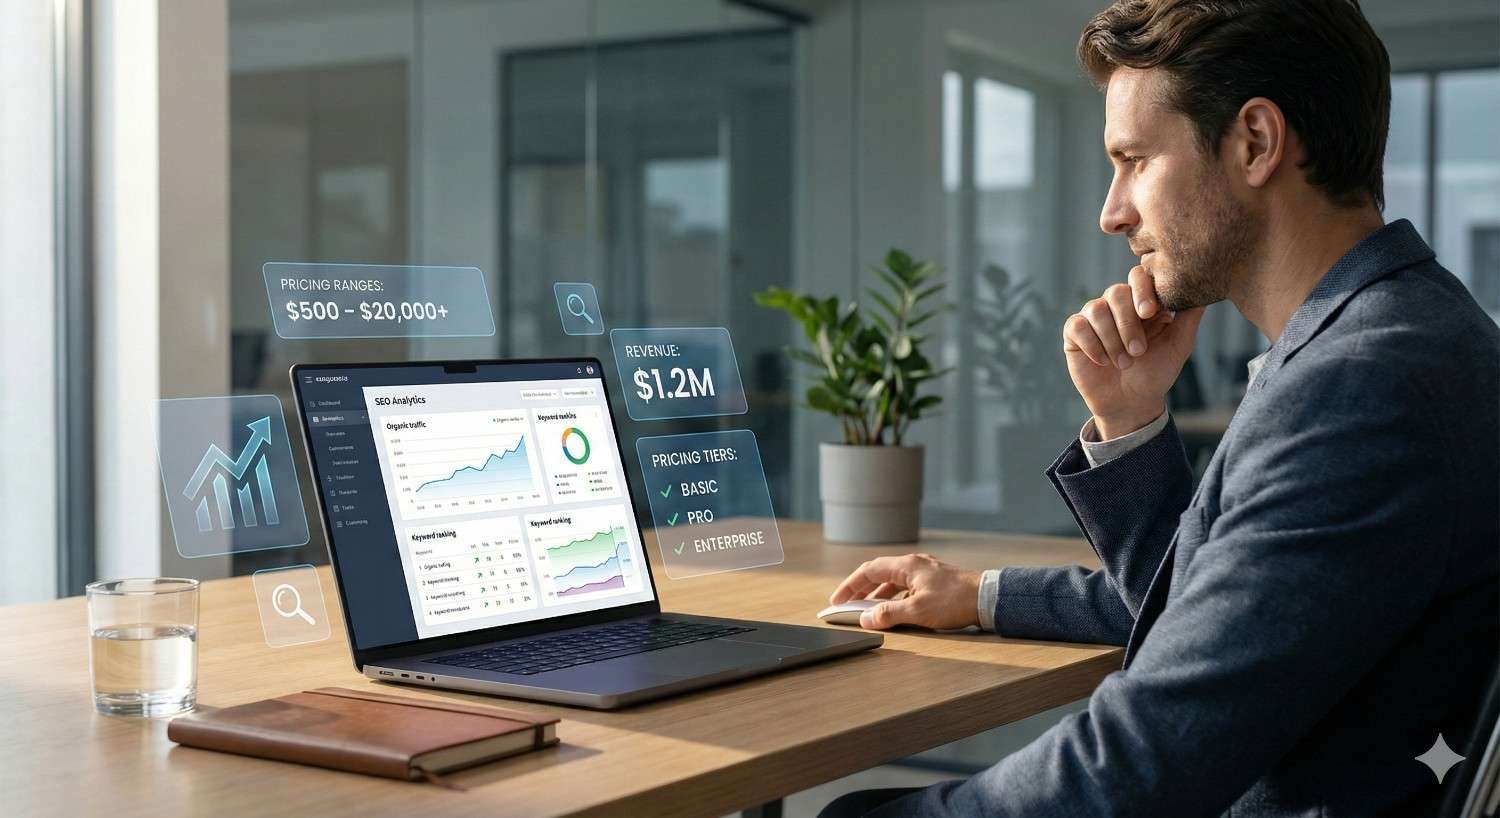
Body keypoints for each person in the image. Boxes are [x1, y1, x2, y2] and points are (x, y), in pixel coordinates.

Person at [819, 0, 1499, 815]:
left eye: (1134, 160)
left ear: (1255, 142)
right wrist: (1125, 424)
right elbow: (1226, 607)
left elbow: (1144, 761)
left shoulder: (1362, 382)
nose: (1113, 211)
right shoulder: (1400, 328)